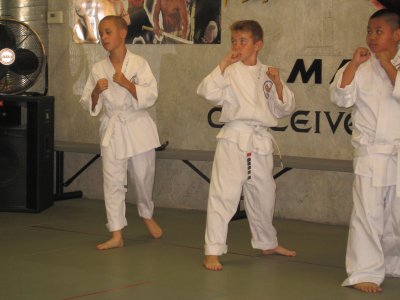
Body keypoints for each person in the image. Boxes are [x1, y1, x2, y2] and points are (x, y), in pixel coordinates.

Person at [197, 20, 296, 271]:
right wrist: (223, 63)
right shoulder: (228, 71)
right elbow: (207, 92)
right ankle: (212, 250)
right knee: (224, 195)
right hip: (234, 138)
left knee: (264, 195)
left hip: (260, 141)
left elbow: (284, 109)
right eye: (234, 41)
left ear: (258, 45)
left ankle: (267, 242)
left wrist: (278, 83)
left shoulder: (269, 73)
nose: (237, 46)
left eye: (243, 41)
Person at [330, 8, 400, 293]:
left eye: (378, 31)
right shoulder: (360, 65)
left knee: (396, 215)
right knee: (367, 214)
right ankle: (363, 272)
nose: (372, 37)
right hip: (370, 152)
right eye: (369, 31)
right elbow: (340, 97)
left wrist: (388, 67)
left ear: (397, 34)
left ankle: (393, 264)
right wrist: (353, 66)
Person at [80, 15, 163, 250]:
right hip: (113, 129)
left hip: (137, 127)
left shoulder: (139, 64)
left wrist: (128, 84)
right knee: (112, 181)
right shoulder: (98, 68)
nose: (103, 37)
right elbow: (87, 102)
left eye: (108, 32)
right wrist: (96, 91)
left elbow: (152, 94)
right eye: (101, 33)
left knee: (143, 176)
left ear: (123, 33)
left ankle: (146, 214)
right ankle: (116, 233)